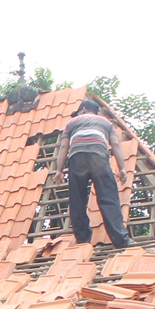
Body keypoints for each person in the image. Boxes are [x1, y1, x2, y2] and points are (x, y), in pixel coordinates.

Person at [51, 99, 133, 249]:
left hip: (77, 158)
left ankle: (83, 242)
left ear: (83, 109)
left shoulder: (71, 123)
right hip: (98, 157)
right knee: (108, 199)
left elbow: (64, 147)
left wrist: (59, 170)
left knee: (77, 201)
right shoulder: (106, 123)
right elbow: (115, 144)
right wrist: (122, 169)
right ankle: (122, 241)